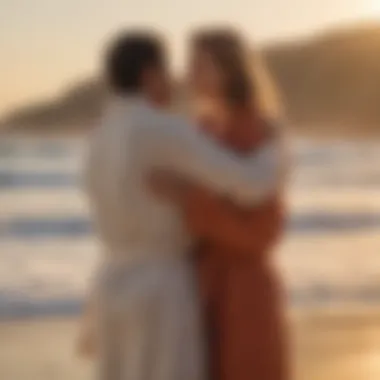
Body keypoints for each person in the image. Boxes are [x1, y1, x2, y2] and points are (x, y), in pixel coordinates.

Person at [79, 30, 284, 380]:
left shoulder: (97, 136)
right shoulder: (166, 129)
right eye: (168, 70)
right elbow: (251, 184)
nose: (178, 79)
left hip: (112, 287)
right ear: (149, 75)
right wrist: (277, 149)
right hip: (162, 290)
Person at [156, 28, 289, 380]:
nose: (188, 74)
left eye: (199, 64)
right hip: (201, 286)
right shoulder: (201, 129)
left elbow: (265, 232)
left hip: (244, 291)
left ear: (228, 70)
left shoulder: (257, 130)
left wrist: (189, 201)